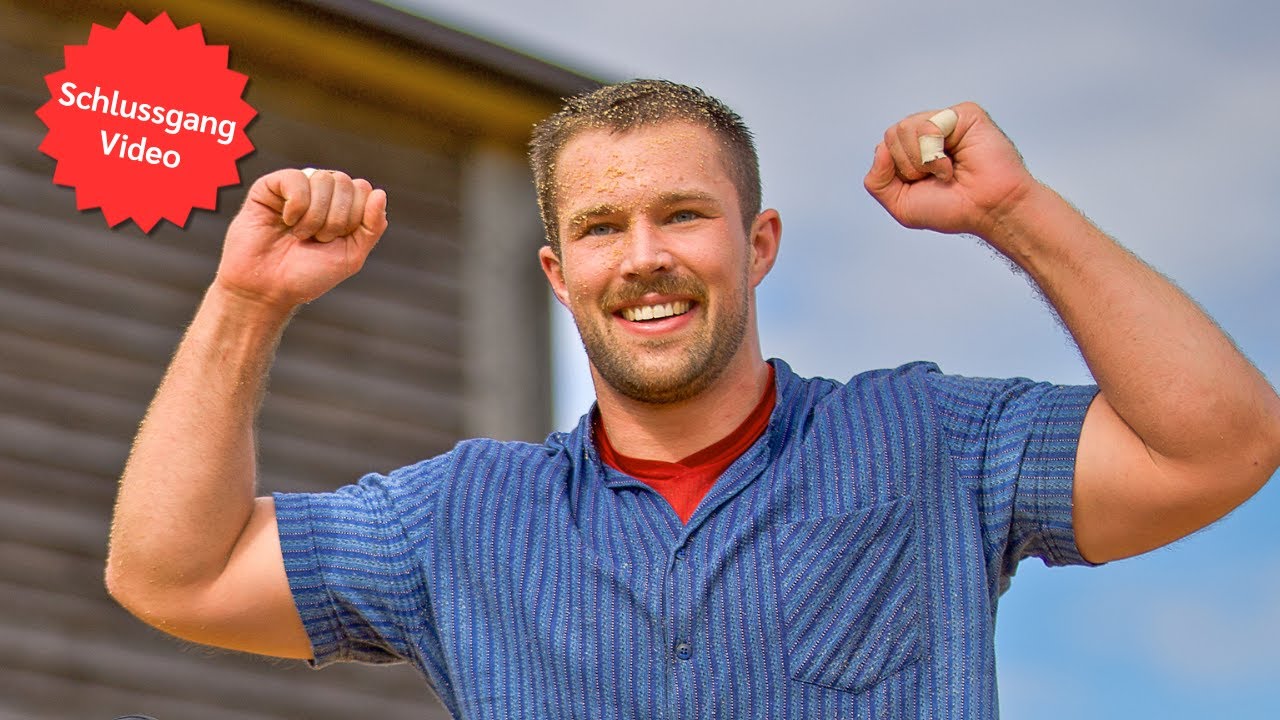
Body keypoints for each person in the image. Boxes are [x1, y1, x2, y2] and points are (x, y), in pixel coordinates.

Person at [106, 80, 1280, 718]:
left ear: (756, 244)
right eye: (600, 227)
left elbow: (1219, 444)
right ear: (557, 273)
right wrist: (247, 300)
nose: (644, 258)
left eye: (681, 214)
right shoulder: (456, 520)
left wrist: (1013, 213)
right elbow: (173, 575)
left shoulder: (929, 444)